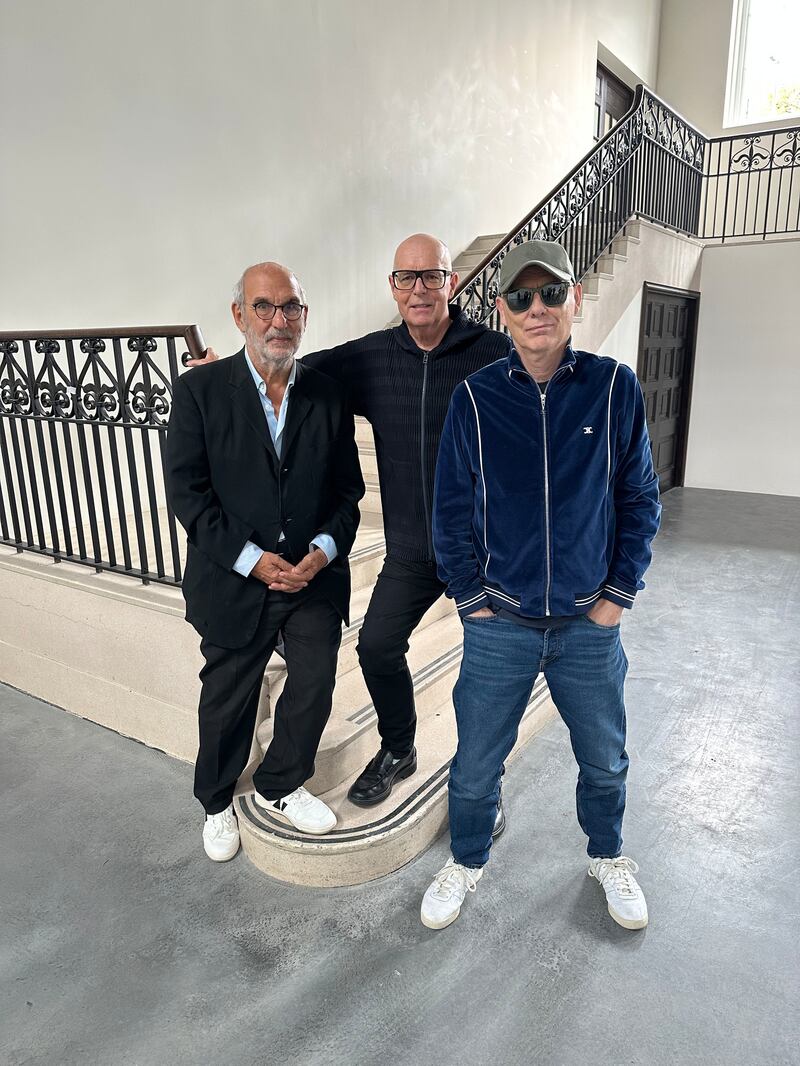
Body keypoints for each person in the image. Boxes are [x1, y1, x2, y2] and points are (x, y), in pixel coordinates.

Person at [191, 235, 512, 824]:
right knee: (377, 646)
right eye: (406, 278)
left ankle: (483, 786)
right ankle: (399, 746)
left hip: (486, 554)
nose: (419, 289)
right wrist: (225, 382)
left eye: (432, 276)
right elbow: (290, 364)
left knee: (492, 670)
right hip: (414, 550)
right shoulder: (370, 356)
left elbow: (539, 407)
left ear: (454, 282)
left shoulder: (493, 352)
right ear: (392, 287)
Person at [420, 239, 661, 931]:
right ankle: (466, 860)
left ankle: (608, 855)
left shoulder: (614, 387)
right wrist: (472, 603)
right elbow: (451, 513)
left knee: (606, 761)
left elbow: (639, 498)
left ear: (573, 301)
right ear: (501, 311)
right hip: (503, 625)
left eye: (550, 293)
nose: (537, 309)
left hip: (590, 624)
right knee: (473, 768)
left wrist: (618, 597)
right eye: (520, 297)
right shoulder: (475, 399)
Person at [166, 262, 364, 861]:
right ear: (239, 316)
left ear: (304, 317)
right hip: (233, 577)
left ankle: (281, 783)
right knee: (228, 695)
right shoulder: (201, 391)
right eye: (264, 307)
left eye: (291, 308)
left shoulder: (327, 394)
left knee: (315, 677)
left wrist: (322, 551)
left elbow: (348, 493)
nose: (279, 320)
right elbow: (188, 494)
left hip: (309, 576)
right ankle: (217, 801)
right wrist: (252, 560)